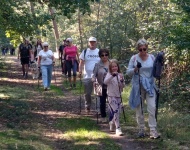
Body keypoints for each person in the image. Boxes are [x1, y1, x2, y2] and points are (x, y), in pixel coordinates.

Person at [127, 38, 160, 139]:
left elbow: (156, 71)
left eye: (144, 49)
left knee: (152, 107)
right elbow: (128, 72)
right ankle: (141, 129)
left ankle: (153, 130)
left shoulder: (152, 57)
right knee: (139, 109)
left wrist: (159, 68)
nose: (142, 51)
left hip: (150, 85)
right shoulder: (134, 58)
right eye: (140, 49)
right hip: (138, 86)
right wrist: (135, 69)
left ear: (147, 48)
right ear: (137, 49)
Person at [79, 37, 100, 113]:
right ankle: (87, 106)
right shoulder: (85, 52)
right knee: (87, 93)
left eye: (93, 42)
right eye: (91, 42)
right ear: (88, 43)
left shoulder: (99, 52)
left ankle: (98, 109)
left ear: (96, 42)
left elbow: (103, 62)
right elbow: (81, 62)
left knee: (98, 93)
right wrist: (80, 71)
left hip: (98, 76)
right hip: (87, 75)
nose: (92, 43)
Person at [104, 59, 125, 136]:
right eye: (112, 67)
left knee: (118, 112)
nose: (114, 68)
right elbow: (105, 82)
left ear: (118, 67)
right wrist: (112, 76)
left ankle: (112, 122)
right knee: (115, 111)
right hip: (111, 95)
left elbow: (123, 86)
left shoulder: (120, 75)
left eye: (115, 66)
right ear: (110, 68)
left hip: (118, 96)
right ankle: (118, 128)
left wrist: (121, 81)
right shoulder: (109, 74)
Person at [92, 48, 110, 123]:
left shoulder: (112, 63)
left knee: (112, 101)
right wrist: (93, 79)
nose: (104, 56)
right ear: (100, 56)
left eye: (106, 55)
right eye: (102, 55)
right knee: (102, 102)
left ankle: (112, 116)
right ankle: (103, 116)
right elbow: (94, 74)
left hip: (111, 86)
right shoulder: (97, 65)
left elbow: (117, 72)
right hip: (100, 85)